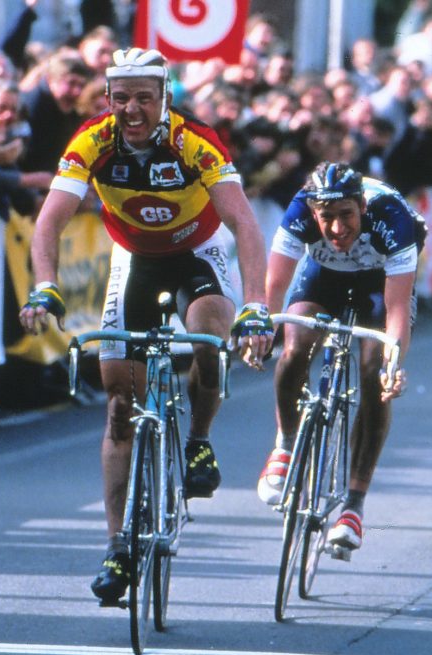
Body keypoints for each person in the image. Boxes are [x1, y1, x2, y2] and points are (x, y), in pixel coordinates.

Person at [18, 47, 274, 604]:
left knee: (210, 336)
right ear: (108, 98)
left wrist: (256, 302)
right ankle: (117, 546)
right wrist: (45, 285)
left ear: (165, 99)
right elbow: (49, 222)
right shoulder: (92, 141)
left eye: (144, 97)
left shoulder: (194, 142)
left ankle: (199, 441)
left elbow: (244, 225)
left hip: (197, 251)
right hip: (132, 258)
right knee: (117, 403)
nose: (131, 109)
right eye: (121, 97)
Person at [256, 162, 424, 554]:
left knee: (373, 372)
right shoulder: (299, 210)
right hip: (323, 276)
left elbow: (397, 306)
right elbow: (275, 285)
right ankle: (285, 444)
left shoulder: (392, 218)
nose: (336, 228)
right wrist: (262, 329)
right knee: (295, 348)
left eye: (346, 215)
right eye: (326, 217)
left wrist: (393, 364)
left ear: (362, 206)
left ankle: (353, 505)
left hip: (377, 286)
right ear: (313, 212)